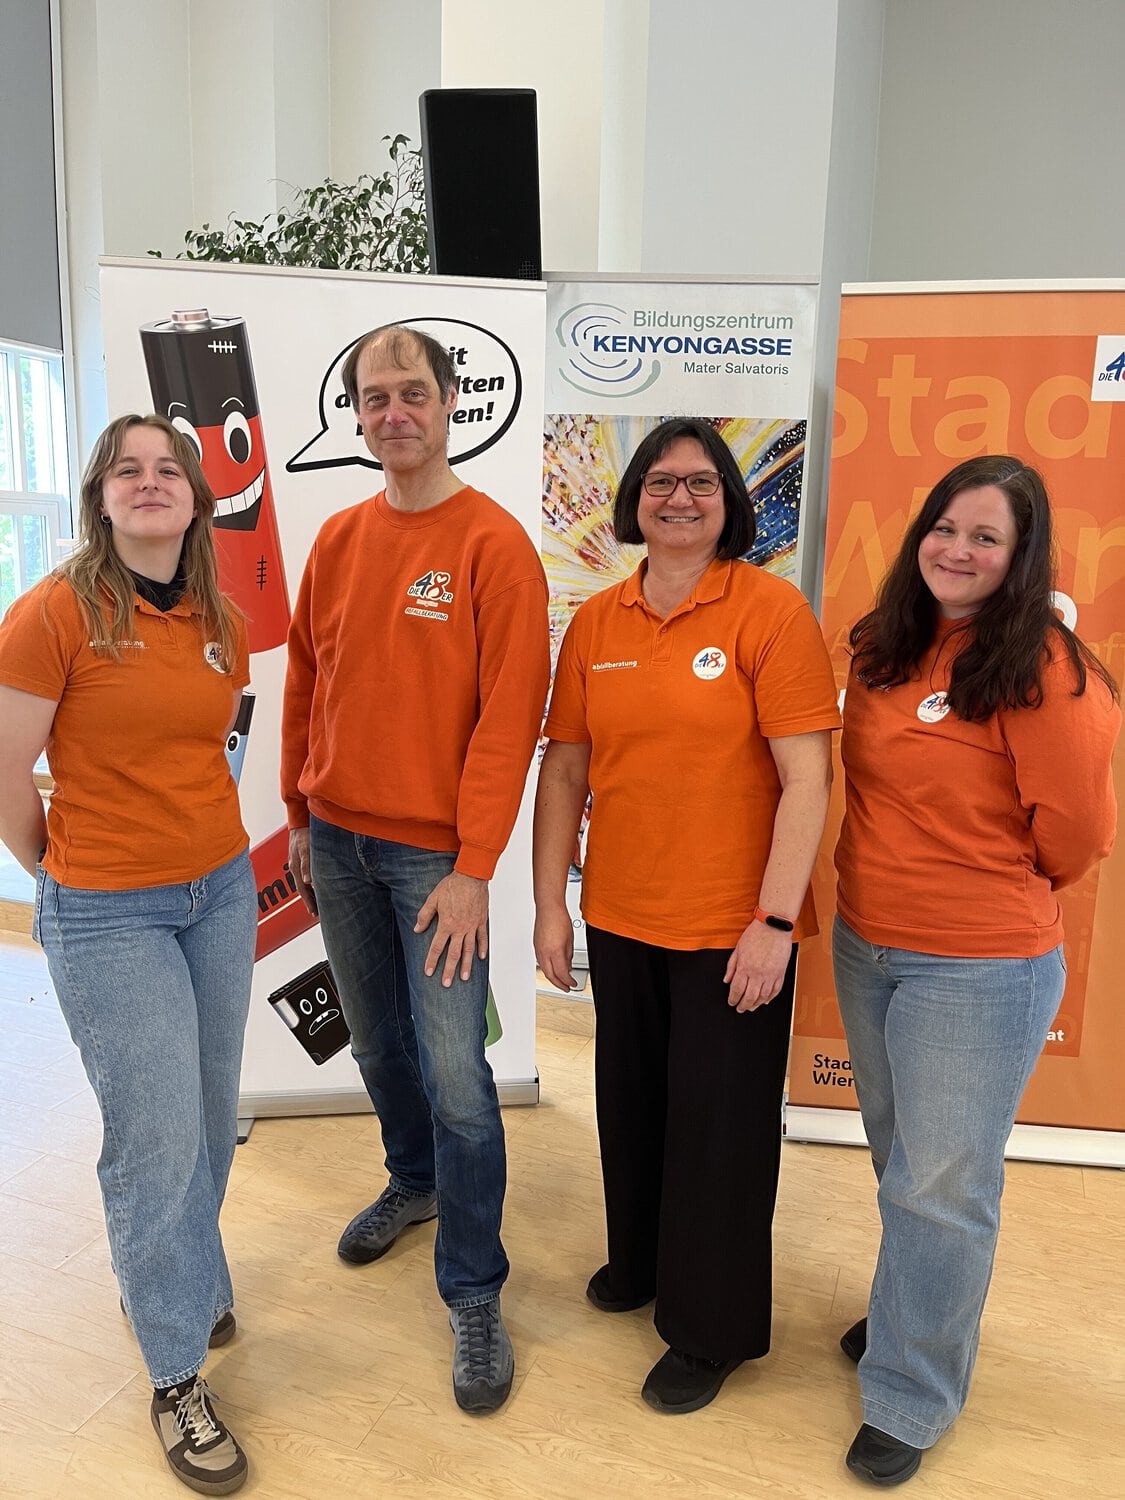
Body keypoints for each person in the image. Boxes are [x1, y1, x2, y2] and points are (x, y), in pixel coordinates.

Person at [533, 417, 840, 1414]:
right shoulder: (597, 621)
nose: (679, 498)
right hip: (622, 914)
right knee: (632, 1108)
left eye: (701, 482)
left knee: (720, 1134)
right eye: (660, 482)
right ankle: (642, 1265)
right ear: (633, 499)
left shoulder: (769, 611)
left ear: (729, 502)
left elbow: (807, 780)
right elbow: (566, 770)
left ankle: (710, 1331)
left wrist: (775, 923)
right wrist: (549, 906)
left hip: (729, 929)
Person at [831, 455, 1120, 1486]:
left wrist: (981, 886)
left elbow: (1077, 837)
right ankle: (914, 1313)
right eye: (944, 527)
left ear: (1021, 557)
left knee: (942, 1187)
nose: (956, 549)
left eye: (985, 537)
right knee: (902, 1161)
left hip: (978, 966)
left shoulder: (1049, 671)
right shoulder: (885, 641)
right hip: (866, 943)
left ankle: (912, 1393)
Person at [281, 323, 550, 1414]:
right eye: (374, 396)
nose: (393, 412)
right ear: (358, 414)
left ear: (449, 405)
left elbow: (510, 719)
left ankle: (474, 1289)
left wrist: (475, 864)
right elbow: (305, 682)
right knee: (374, 1042)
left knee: (457, 1076)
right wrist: (298, 809)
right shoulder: (339, 538)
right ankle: (414, 1181)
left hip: (436, 860)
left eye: (412, 393)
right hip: (335, 840)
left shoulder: (494, 545)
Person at [0, 414, 256, 1494]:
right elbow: (7, 774)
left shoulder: (219, 619)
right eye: (127, 471)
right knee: (154, 1139)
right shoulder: (53, 613)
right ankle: (175, 1374)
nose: (150, 484)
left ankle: (180, 1274)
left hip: (221, 892)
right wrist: (63, 873)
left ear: (196, 498)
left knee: (208, 1113)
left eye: (168, 471)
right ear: (100, 497)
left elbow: (210, 748)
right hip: (109, 911)